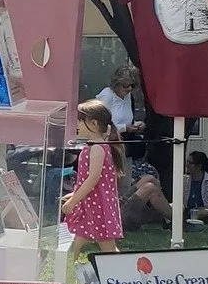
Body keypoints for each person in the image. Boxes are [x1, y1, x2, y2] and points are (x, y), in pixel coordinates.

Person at [62, 99, 125, 263]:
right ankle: (67, 267)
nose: (76, 125)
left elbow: (92, 179)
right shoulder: (92, 147)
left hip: (98, 205)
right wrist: (75, 195)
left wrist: (73, 201)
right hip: (88, 204)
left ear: (94, 124)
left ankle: (122, 272)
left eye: (79, 121)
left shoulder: (97, 148)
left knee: (107, 246)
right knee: (77, 236)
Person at [121, 157, 172, 232]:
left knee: (149, 178)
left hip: (118, 203)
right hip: (115, 215)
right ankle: (177, 221)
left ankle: (166, 215)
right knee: (150, 188)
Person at [96, 65, 145, 139]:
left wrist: (136, 125)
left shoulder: (128, 96)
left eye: (132, 85)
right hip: (110, 141)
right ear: (116, 83)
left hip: (126, 139)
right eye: (125, 85)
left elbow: (125, 120)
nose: (129, 88)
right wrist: (124, 128)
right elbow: (100, 127)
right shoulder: (107, 95)